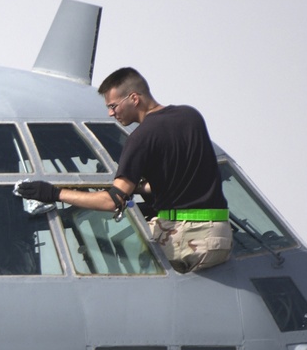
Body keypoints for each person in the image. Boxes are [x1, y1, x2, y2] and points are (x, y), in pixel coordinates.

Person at [17, 67, 232, 273]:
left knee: (130, 262)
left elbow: (112, 201)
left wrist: (54, 193)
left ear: (134, 99)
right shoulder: (191, 116)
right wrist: (139, 189)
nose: (111, 114)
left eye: (113, 106)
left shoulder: (141, 137)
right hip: (220, 236)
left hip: (188, 240)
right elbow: (184, 181)